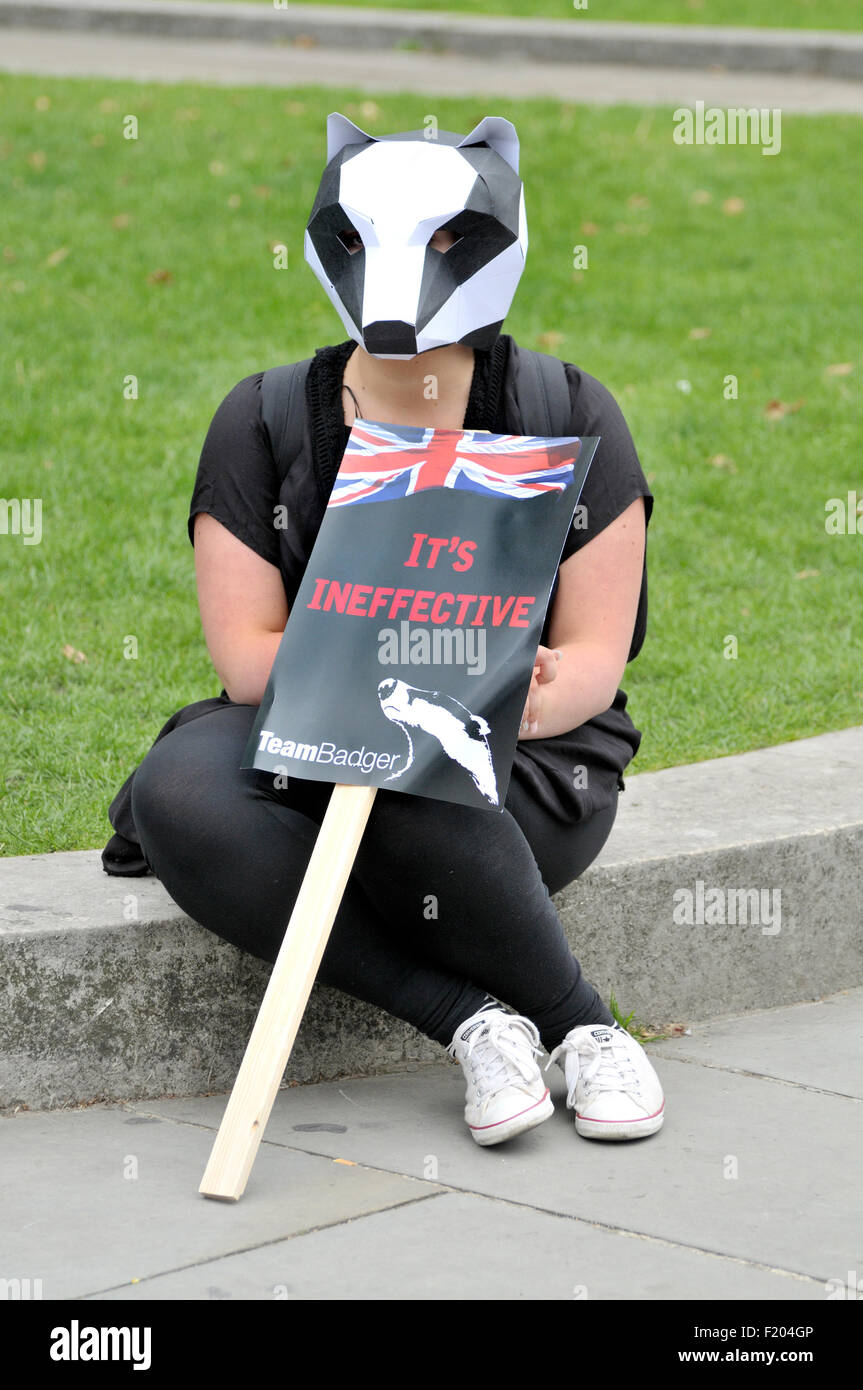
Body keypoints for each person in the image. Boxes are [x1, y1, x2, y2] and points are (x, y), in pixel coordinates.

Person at [102, 112, 665, 1147]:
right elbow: (245, 662)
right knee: (180, 793)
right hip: (302, 733)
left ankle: (584, 1028)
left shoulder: (565, 409)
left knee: (415, 752)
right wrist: (399, 679)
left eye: (445, 238)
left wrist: (499, 693)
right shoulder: (264, 418)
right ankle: (470, 1019)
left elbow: (592, 655)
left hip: (513, 764)